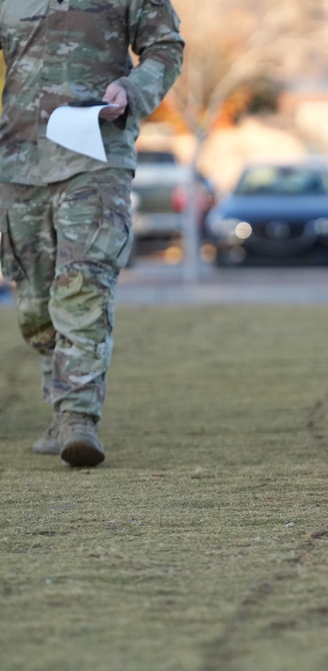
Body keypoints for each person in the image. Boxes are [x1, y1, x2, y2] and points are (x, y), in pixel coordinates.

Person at [0, 1, 184, 467]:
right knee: (35, 302)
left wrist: (130, 89)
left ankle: (78, 416)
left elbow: (165, 48)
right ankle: (59, 405)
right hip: (19, 161)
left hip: (95, 155)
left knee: (82, 285)